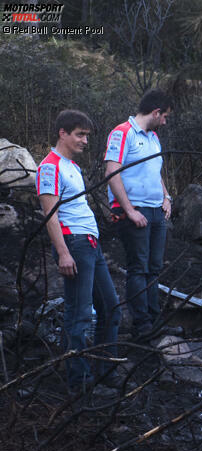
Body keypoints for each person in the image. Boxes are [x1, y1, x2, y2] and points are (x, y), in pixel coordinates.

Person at [37, 109, 121, 395]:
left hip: (91, 245)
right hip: (74, 244)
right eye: (80, 135)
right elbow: (50, 214)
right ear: (63, 133)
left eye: (86, 135)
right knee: (79, 315)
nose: (85, 141)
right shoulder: (50, 166)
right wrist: (63, 253)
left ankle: (106, 373)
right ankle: (79, 383)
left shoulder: (72, 166)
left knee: (110, 307)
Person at [105, 89, 173, 340]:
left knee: (154, 268)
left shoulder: (154, 137)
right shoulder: (122, 133)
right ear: (156, 112)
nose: (165, 121)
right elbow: (112, 173)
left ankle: (154, 322)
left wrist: (166, 197)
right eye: (164, 116)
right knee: (139, 268)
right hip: (135, 212)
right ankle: (141, 325)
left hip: (156, 211)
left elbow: (155, 171)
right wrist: (129, 210)